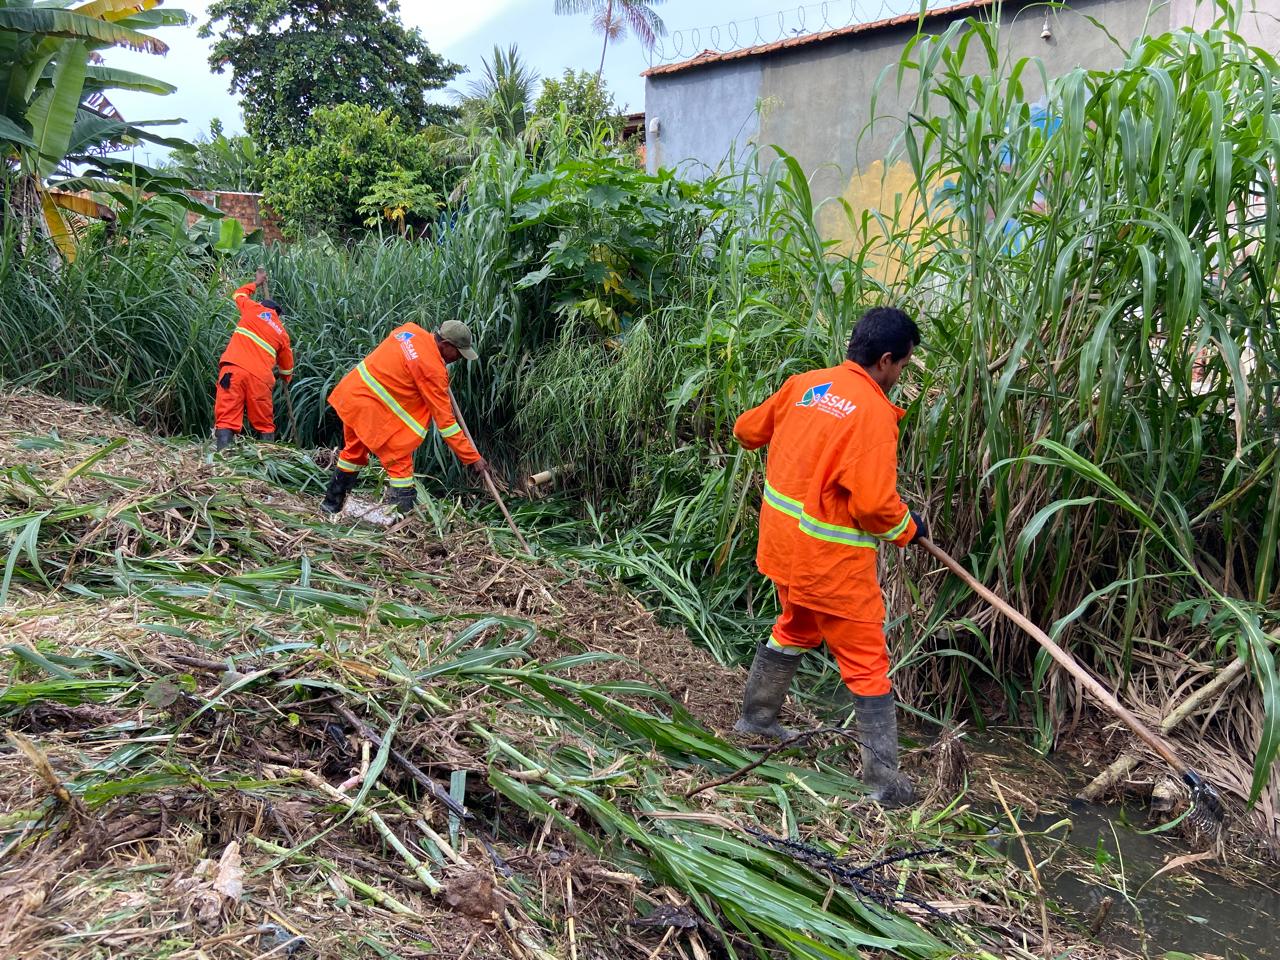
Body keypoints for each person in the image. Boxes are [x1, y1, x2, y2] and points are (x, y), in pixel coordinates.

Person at [731, 306, 928, 806]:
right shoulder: (874, 414)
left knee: (796, 626)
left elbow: (747, 431)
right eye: (903, 366)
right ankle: (882, 783)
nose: (900, 376)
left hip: (783, 549)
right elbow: (875, 506)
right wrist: (909, 529)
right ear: (886, 360)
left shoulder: (805, 385)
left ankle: (756, 719)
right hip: (832, 565)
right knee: (867, 664)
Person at [321, 319, 489, 514]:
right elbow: (446, 424)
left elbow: (408, 360)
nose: (459, 358)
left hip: (353, 397)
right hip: (372, 411)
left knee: (353, 453)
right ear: (445, 345)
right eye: (458, 353)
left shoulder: (410, 331)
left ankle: (330, 505)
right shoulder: (432, 370)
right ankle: (401, 523)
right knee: (400, 465)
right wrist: (472, 458)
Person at [213, 268, 294, 451]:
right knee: (264, 422)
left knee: (227, 415)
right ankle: (267, 462)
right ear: (277, 315)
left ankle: (222, 460)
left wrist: (256, 283)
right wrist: (285, 379)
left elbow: (238, 294)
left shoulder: (252, 308)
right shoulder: (282, 333)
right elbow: (287, 368)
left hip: (233, 371)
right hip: (260, 379)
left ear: (261, 304)